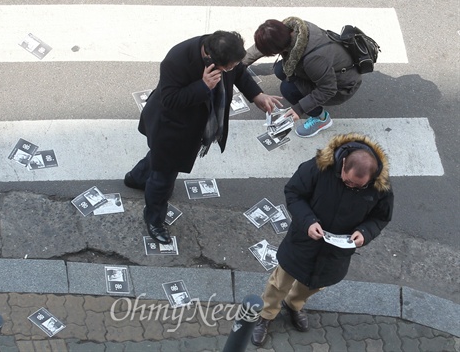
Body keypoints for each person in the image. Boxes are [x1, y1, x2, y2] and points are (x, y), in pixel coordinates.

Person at [125, 31, 282, 244]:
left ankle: (135, 178)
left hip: (194, 126)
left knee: (159, 161)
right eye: (227, 67)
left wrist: (257, 95)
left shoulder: (224, 50)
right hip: (172, 128)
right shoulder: (177, 59)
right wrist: (202, 86)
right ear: (209, 57)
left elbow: (239, 71)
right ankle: (154, 219)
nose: (231, 70)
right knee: (163, 178)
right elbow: (170, 99)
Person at [251, 132, 394, 347]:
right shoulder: (318, 167)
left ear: (372, 178)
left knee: (314, 285)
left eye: (358, 186)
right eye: (347, 182)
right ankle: (266, 314)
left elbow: (381, 217)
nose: (351, 187)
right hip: (303, 240)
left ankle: (294, 304)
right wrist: (308, 221)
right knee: (280, 282)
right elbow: (293, 193)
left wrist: (365, 233)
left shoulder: (380, 188)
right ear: (343, 163)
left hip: (335, 253)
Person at [243, 18, 363, 138]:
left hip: (341, 86)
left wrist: (299, 109)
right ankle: (307, 97)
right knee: (280, 70)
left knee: (287, 89)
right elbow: (265, 44)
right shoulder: (294, 29)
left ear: (279, 49)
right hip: (327, 69)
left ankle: (321, 119)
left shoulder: (314, 59)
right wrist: (238, 64)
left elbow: (328, 89)